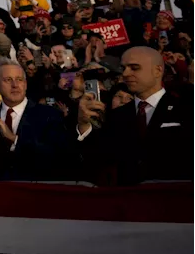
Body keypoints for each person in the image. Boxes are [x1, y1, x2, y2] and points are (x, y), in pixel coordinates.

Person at [76, 46, 194, 184]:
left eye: (134, 68)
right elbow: (97, 158)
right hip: (127, 199)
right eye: (123, 68)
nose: (125, 73)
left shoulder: (186, 109)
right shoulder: (117, 115)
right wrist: (84, 126)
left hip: (174, 198)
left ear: (157, 70)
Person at [0, 62, 72, 180]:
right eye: (8, 80)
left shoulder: (49, 115)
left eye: (19, 79)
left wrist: (14, 139)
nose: (15, 85)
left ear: (25, 84)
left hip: (34, 193)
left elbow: (57, 156)